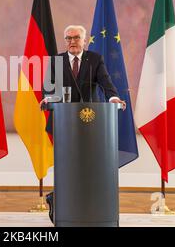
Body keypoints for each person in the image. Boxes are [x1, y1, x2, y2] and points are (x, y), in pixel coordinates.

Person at [42, 25, 126, 223]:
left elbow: (106, 83)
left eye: (76, 38)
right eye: (68, 38)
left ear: (84, 40)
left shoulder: (95, 60)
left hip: (91, 123)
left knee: (87, 166)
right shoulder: (56, 61)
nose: (72, 41)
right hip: (64, 122)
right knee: (67, 165)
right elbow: (49, 88)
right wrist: (50, 99)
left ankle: (86, 206)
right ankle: (61, 202)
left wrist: (113, 98)